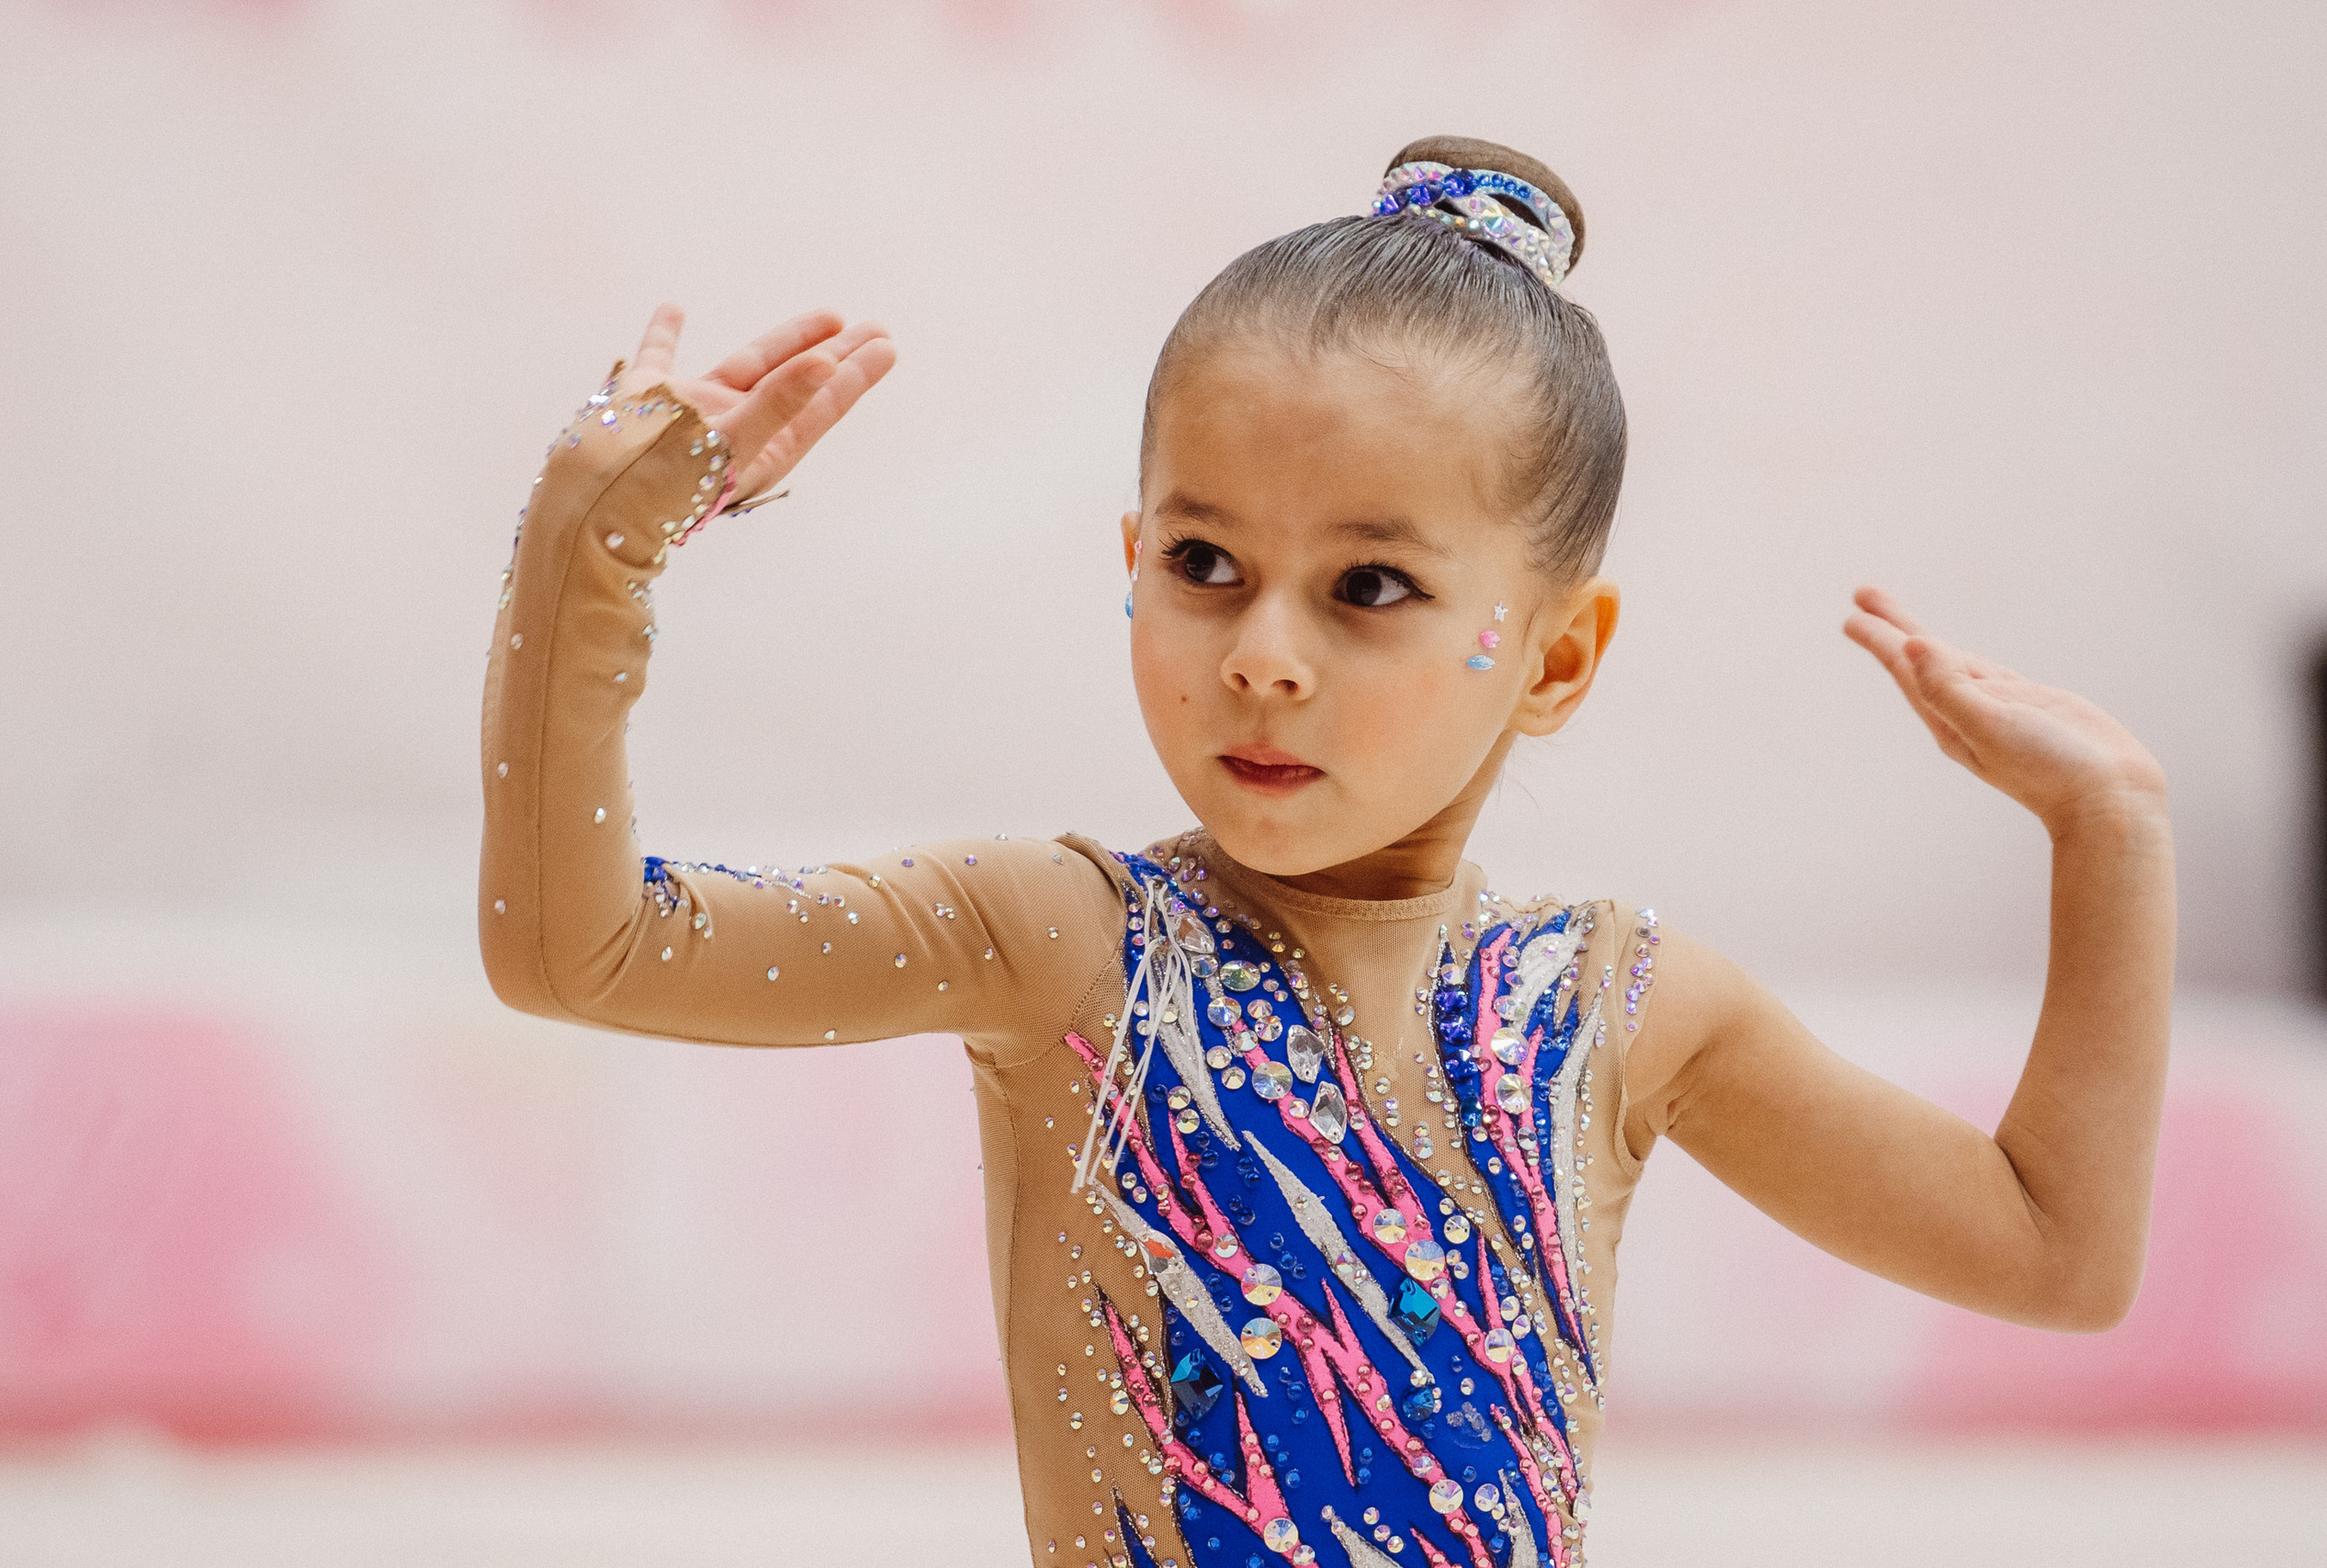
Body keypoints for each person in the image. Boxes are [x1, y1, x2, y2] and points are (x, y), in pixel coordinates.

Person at [478, 135, 2174, 1568]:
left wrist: (2110, 829)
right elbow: (577, 951)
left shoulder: (1625, 1010)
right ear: (1131, 558)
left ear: (1554, 657)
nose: (1262, 653)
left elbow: (2051, 1253)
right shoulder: (1058, 937)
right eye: (1207, 562)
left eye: (1369, 588)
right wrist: (597, 546)